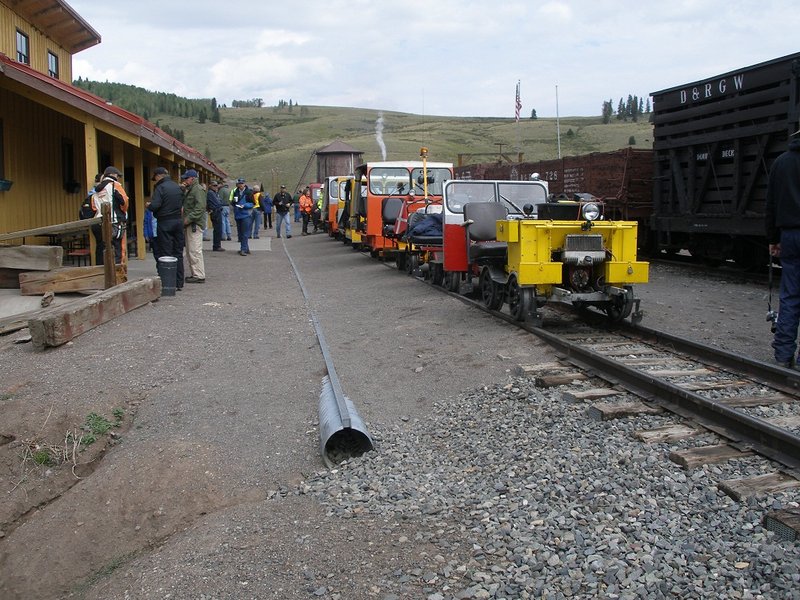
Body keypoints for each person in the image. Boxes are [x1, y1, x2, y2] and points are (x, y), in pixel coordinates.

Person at [766, 127, 800, 369]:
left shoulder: (782, 162)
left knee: (790, 294)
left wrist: (773, 238)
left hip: (789, 235)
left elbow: (771, 203)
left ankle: (783, 353)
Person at [148, 166, 185, 289]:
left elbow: (156, 205)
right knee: (178, 252)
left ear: (158, 176)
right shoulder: (177, 187)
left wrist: (149, 205)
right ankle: (179, 282)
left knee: (166, 253)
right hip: (178, 222)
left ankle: (169, 282)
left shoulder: (160, 187)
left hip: (165, 222)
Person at [91, 166, 129, 265]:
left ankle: (106, 272)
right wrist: (123, 213)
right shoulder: (115, 185)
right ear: (113, 175)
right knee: (119, 249)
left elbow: (94, 206)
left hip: (101, 222)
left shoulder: (96, 189)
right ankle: (118, 274)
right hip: (116, 221)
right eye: (117, 175)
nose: (118, 177)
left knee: (106, 248)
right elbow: (124, 201)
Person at [181, 169, 207, 283]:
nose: (184, 181)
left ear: (192, 178)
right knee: (190, 250)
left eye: (186, 178)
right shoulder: (191, 190)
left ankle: (199, 275)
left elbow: (200, 207)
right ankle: (195, 273)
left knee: (195, 250)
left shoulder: (197, 190)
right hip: (191, 224)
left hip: (194, 224)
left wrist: (188, 219)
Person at [231, 177, 255, 255]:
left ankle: (243, 249)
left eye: (242, 183)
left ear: (244, 184)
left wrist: (244, 205)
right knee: (240, 233)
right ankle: (246, 248)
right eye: (239, 183)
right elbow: (233, 202)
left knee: (245, 233)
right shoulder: (235, 192)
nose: (240, 185)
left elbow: (252, 204)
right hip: (238, 214)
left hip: (246, 215)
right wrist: (234, 203)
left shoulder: (249, 192)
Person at [207, 180, 225, 251]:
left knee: (218, 229)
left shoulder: (214, 193)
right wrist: (220, 204)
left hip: (216, 211)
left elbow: (220, 201)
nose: (216, 187)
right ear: (210, 186)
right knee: (218, 229)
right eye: (214, 185)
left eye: (216, 185)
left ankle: (217, 245)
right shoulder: (211, 193)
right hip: (215, 212)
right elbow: (218, 203)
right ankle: (216, 246)